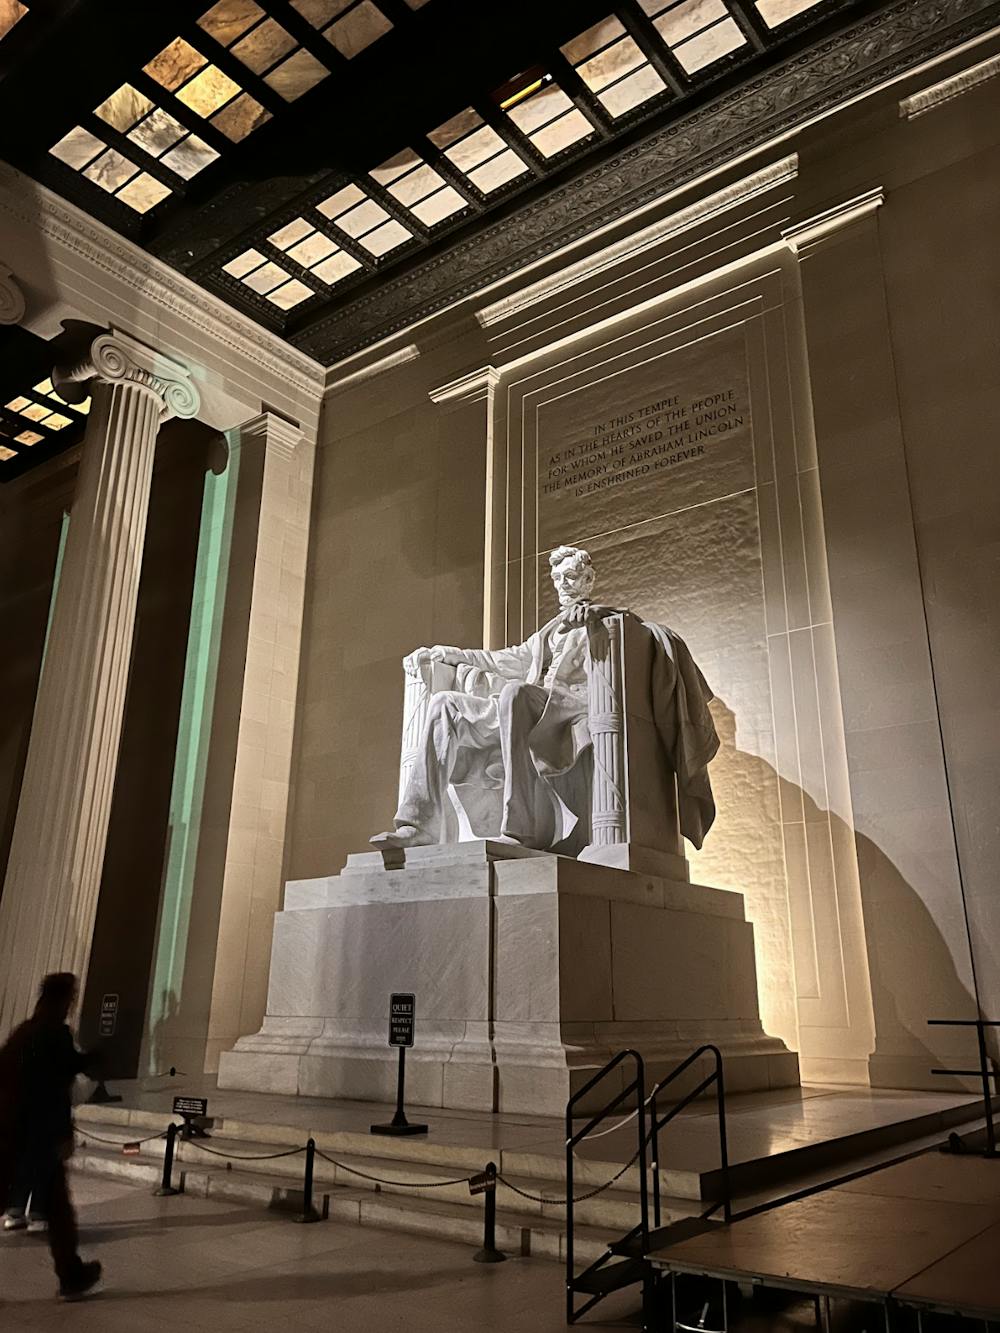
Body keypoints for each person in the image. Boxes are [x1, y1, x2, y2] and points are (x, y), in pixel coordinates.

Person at [371, 543, 719, 853]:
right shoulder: (548, 632)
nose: (564, 585)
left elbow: (637, 632)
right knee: (444, 705)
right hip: (529, 705)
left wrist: (599, 616)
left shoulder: (609, 620)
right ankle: (417, 825)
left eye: (571, 576)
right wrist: (451, 653)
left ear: (587, 579)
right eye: (558, 578)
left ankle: (522, 826)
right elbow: (503, 659)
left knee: (515, 693)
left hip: (575, 707)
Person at [0, 972, 102, 1299]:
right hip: (34, 1136)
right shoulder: (53, 1035)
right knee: (58, 1210)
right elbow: (55, 1087)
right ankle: (71, 1276)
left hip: (13, 1132)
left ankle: (72, 1274)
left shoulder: (24, 1033)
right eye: (71, 997)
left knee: (55, 1208)